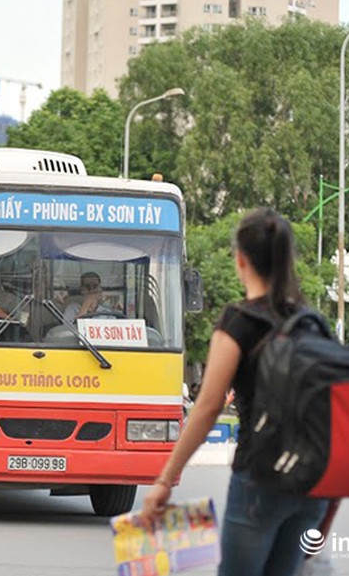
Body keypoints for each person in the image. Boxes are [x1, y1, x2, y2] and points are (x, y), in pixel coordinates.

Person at [141, 207, 329, 576]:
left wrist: (164, 480)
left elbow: (208, 406)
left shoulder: (238, 321)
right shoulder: (313, 321)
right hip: (312, 485)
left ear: (241, 260)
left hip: (260, 478)